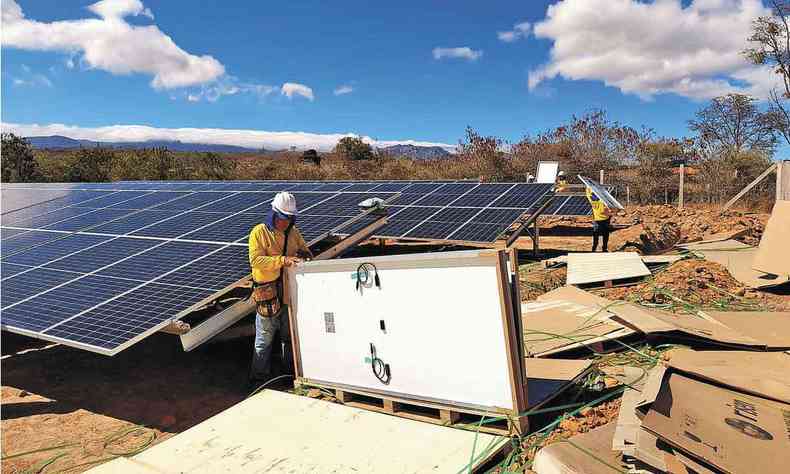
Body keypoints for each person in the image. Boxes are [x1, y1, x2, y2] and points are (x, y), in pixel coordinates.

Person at [248, 192, 313, 385]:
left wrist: (305, 254)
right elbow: (256, 260)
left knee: (288, 335)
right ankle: (259, 378)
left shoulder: (293, 232)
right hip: (267, 292)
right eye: (284, 217)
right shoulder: (259, 232)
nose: (287, 222)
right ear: (274, 213)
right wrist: (282, 260)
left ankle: (287, 375)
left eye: (290, 218)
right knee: (265, 338)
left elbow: (305, 249)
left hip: (287, 291)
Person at [586, 187, 613, 252]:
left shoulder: (591, 199)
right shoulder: (603, 201)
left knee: (596, 234)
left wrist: (589, 186)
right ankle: (604, 248)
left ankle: (594, 248)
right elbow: (605, 212)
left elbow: (587, 191)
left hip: (596, 219)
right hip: (605, 219)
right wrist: (612, 214)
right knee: (605, 234)